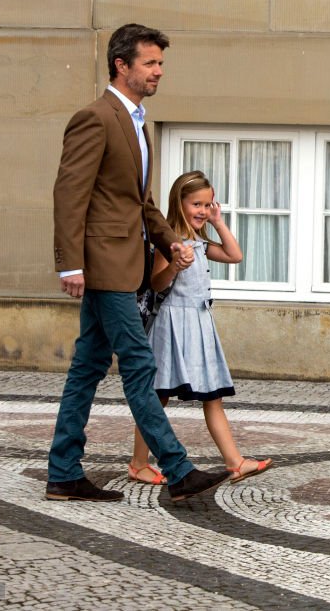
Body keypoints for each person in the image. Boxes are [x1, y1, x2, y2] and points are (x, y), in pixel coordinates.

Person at [49, 23, 230, 502]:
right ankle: (178, 468)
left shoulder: (137, 122)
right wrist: (70, 264)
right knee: (138, 363)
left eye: (160, 64)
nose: (158, 72)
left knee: (87, 367)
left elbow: (140, 202)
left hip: (125, 262)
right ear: (121, 65)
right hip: (105, 265)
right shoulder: (95, 117)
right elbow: (70, 194)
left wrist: (170, 242)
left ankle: (63, 471)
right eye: (150, 63)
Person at [128, 171, 273, 485]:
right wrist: (175, 266)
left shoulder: (202, 243)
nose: (203, 211)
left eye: (208, 205)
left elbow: (235, 255)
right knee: (158, 397)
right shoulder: (169, 242)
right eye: (197, 204)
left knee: (213, 398)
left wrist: (219, 223)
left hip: (199, 325)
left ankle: (235, 462)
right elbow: (157, 282)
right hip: (172, 326)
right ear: (179, 202)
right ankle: (138, 463)